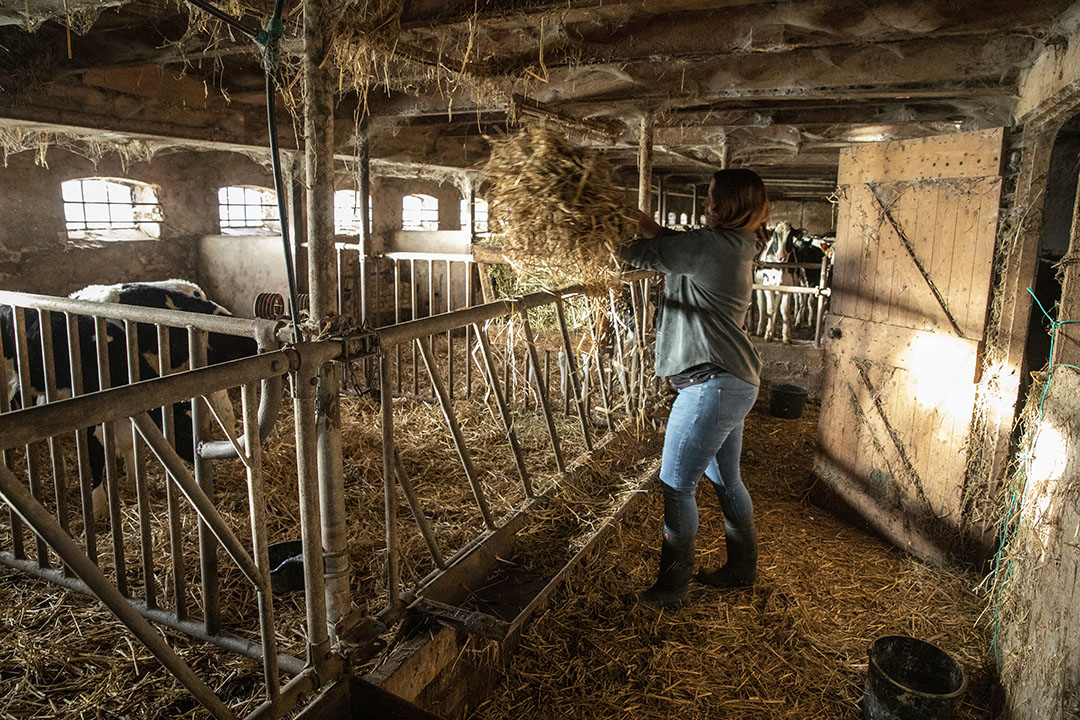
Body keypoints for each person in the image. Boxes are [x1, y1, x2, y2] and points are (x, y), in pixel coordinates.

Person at [620, 168, 768, 608]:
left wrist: (600, 223)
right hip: (733, 381)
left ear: (727, 205)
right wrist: (647, 222)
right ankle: (742, 570)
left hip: (711, 385)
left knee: (675, 485)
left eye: (710, 198)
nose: (705, 204)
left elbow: (637, 254)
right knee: (726, 481)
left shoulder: (707, 246)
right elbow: (674, 246)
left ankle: (672, 586)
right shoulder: (738, 244)